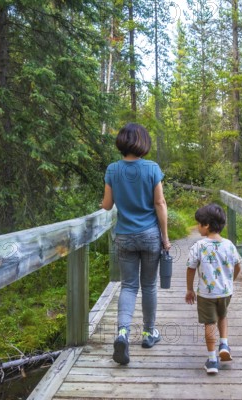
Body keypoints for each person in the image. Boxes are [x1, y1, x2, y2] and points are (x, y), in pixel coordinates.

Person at [101, 123, 171, 365]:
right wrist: (165, 237)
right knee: (149, 285)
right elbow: (160, 204)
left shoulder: (112, 169)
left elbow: (108, 205)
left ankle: (122, 333)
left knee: (128, 286)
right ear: (143, 143)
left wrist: (103, 204)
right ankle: (149, 333)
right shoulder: (152, 168)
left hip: (124, 237)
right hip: (150, 235)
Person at [185, 203, 242, 374]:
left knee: (209, 323)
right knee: (223, 315)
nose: (197, 227)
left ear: (207, 225)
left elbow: (190, 268)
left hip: (206, 294)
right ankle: (224, 344)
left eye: (199, 223)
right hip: (226, 291)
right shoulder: (229, 245)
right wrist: (230, 281)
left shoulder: (198, 246)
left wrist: (189, 289)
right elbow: (238, 266)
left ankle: (212, 360)